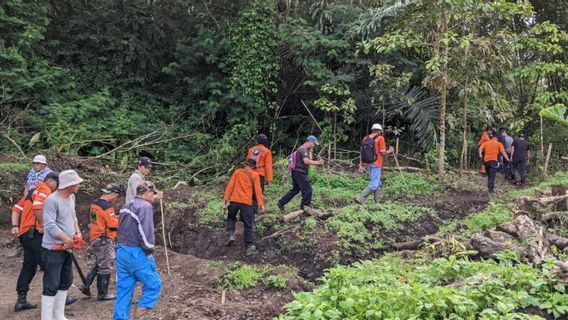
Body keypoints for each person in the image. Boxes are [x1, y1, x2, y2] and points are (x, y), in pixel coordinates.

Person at [113, 181, 163, 320]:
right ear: (147, 193)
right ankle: (138, 315)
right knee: (154, 285)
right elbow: (146, 231)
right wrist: (149, 249)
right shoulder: (145, 206)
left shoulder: (125, 206)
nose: (153, 197)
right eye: (153, 194)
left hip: (121, 251)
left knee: (124, 292)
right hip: (136, 253)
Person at [11, 171, 59, 312]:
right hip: (35, 234)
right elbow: (37, 207)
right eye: (57, 184)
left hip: (25, 234)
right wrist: (43, 224)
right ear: (50, 181)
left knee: (29, 266)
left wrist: (15, 226)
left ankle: (21, 300)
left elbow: (16, 209)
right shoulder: (44, 189)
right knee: (50, 264)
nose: (56, 188)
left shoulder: (31, 192)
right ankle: (54, 297)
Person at [41, 170, 84, 320]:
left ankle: (59, 315)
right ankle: (46, 317)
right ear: (69, 185)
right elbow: (50, 226)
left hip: (67, 248)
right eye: (76, 183)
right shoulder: (51, 200)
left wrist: (77, 233)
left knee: (66, 280)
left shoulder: (71, 197)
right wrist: (67, 240)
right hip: (53, 249)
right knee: (51, 283)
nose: (79, 185)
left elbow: (73, 216)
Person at [80, 183, 124, 300]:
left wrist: (114, 217)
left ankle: (86, 285)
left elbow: (98, 220)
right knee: (106, 265)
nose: (115, 199)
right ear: (113, 194)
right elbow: (112, 225)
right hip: (104, 239)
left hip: (95, 236)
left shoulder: (95, 204)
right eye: (116, 196)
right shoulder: (107, 207)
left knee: (99, 262)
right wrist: (120, 220)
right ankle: (102, 294)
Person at [223, 159, 265, 256]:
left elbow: (230, 186)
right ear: (253, 167)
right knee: (248, 224)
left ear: (245, 165)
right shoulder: (255, 175)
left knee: (231, 217)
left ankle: (231, 235)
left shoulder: (237, 172)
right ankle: (248, 246)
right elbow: (258, 191)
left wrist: (226, 200)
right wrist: (260, 204)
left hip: (234, 200)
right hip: (246, 202)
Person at [278, 135, 325, 213]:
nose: (314, 146)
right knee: (308, 190)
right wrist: (318, 163)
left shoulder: (302, 149)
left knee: (295, 190)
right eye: (313, 144)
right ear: (310, 142)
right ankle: (304, 208)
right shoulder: (303, 149)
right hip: (300, 173)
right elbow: (306, 161)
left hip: (296, 172)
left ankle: (281, 202)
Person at [357, 124, 394, 204]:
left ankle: (377, 202)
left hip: (367, 163)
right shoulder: (380, 138)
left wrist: (361, 165)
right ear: (380, 131)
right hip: (376, 163)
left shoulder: (365, 138)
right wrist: (390, 151)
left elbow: (361, 153)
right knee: (374, 184)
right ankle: (360, 198)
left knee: (378, 183)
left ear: (372, 130)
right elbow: (383, 153)